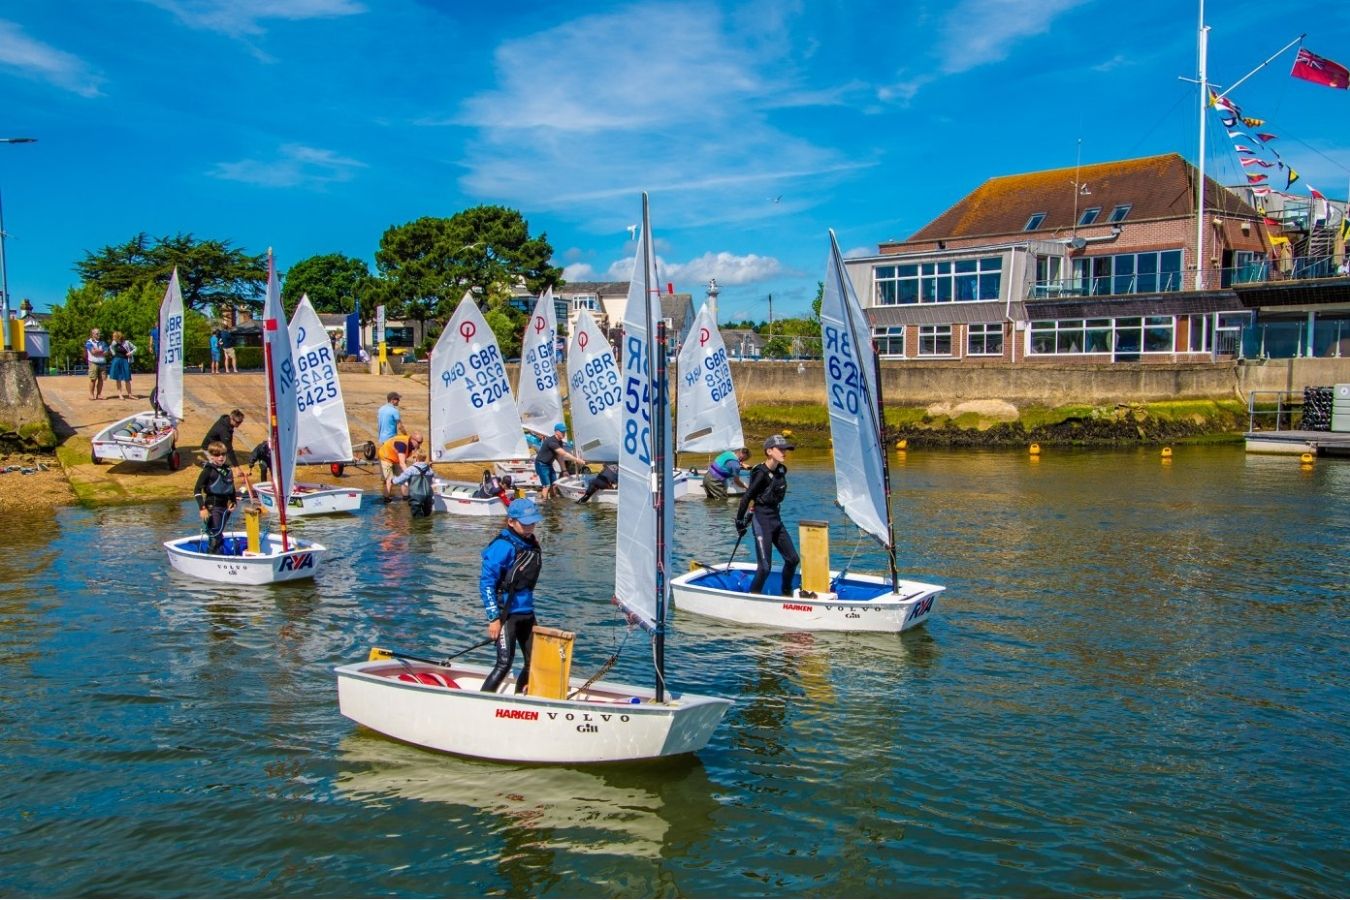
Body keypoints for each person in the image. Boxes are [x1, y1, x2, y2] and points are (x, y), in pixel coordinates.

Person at [479, 497, 544, 694]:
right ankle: (483, 701)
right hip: (506, 615)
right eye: (524, 524)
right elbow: (486, 583)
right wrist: (493, 618)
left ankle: (519, 698)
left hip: (527, 612)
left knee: (533, 661)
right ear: (511, 522)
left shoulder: (530, 543)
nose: (529, 527)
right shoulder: (502, 546)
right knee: (505, 663)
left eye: (532, 522)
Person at [735, 434, 801, 597]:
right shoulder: (760, 473)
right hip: (761, 520)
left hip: (776, 519)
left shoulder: (781, 470)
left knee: (793, 560)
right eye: (780, 449)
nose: (784, 452)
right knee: (765, 568)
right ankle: (753, 597)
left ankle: (786, 594)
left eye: (786, 449)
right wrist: (740, 521)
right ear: (769, 451)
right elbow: (747, 497)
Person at [195, 441, 238, 554]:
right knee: (214, 536)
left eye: (223, 455)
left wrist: (233, 502)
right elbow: (197, 490)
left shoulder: (228, 470)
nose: (221, 457)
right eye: (217, 455)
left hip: (225, 507)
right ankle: (210, 560)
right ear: (211, 456)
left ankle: (220, 556)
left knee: (219, 534)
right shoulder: (208, 470)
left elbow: (231, 488)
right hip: (212, 506)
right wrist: (202, 508)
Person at [201, 409, 251, 496]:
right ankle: (212, 489)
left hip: (218, 445)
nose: (239, 424)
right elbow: (229, 450)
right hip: (209, 448)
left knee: (223, 465)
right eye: (237, 422)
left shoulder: (226, 420)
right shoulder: (224, 430)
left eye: (240, 422)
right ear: (231, 418)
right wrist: (237, 467)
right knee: (216, 468)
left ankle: (222, 487)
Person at [534, 422, 585, 501]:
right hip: (541, 464)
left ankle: (553, 500)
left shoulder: (560, 442)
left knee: (554, 484)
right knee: (546, 485)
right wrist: (577, 460)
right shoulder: (551, 442)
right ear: (556, 432)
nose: (564, 434)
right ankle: (544, 504)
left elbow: (559, 457)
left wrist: (564, 470)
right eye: (562, 432)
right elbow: (564, 454)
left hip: (549, 464)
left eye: (565, 432)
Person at [379, 430, 423, 502]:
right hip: (385, 457)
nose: (420, 444)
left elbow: (416, 458)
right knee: (389, 479)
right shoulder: (402, 444)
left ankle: (406, 496)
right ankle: (386, 498)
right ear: (413, 440)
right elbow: (402, 464)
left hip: (396, 458)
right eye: (419, 442)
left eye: (421, 442)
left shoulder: (413, 444)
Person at [391, 449, 436, 516]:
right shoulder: (429, 469)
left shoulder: (411, 469)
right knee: (427, 516)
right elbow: (432, 479)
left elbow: (399, 480)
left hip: (416, 496)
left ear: (415, 458)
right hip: (428, 496)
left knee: (417, 519)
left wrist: (392, 480)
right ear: (425, 458)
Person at [108, 331, 136, 400]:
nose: (113, 338)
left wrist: (130, 353)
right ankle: (120, 395)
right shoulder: (114, 343)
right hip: (117, 361)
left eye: (114, 337)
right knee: (118, 379)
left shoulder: (126, 342)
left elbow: (135, 348)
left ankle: (130, 394)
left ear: (118, 337)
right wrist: (114, 353)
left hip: (125, 361)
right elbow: (110, 347)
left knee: (127, 378)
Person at [85, 328, 108, 400]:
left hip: (102, 363)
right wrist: (101, 351)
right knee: (93, 379)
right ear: (93, 334)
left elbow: (106, 352)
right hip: (93, 363)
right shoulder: (89, 342)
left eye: (99, 333)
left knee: (101, 379)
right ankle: (91, 395)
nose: (99, 335)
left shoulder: (103, 342)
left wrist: (98, 351)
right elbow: (93, 352)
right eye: (97, 333)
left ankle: (99, 394)